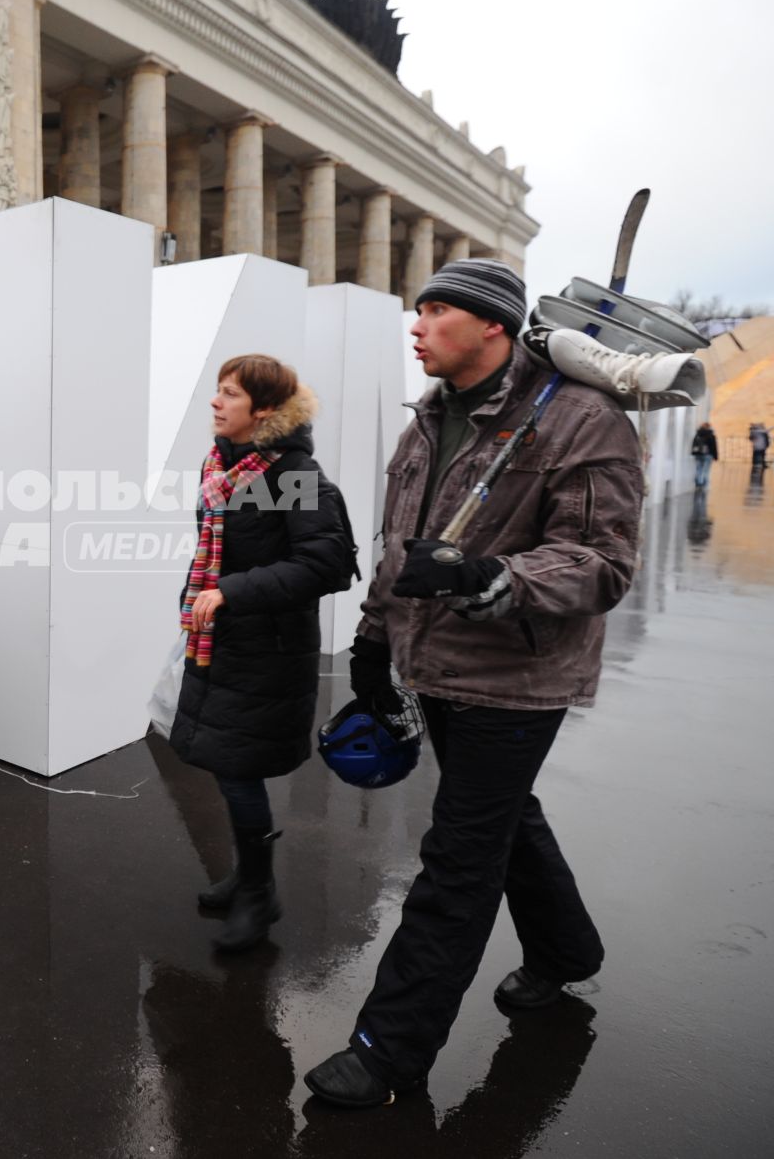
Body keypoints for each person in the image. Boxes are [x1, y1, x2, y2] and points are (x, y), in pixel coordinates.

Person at [304, 258, 644, 1109]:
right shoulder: (425, 423)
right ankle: (566, 950)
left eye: (437, 309)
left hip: (518, 673)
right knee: (501, 816)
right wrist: (375, 641)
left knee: (460, 855)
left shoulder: (580, 419)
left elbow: (602, 563)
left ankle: (388, 1050)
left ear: (493, 324)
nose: (416, 325)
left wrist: (497, 576)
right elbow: (399, 544)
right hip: (434, 661)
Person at [167, 354, 357, 953]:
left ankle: (259, 893)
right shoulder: (223, 464)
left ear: (265, 409)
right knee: (228, 765)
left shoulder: (292, 473)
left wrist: (229, 592)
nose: (216, 403)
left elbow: (327, 563)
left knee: (239, 768)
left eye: (229, 394)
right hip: (226, 639)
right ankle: (249, 878)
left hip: (267, 650)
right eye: (217, 392)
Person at [690, 420, 718, 488]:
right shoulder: (710, 434)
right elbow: (713, 446)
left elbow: (694, 443)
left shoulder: (698, 433)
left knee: (699, 468)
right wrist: (715, 456)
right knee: (706, 469)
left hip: (698, 453)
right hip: (708, 454)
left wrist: (693, 452)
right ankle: (703, 481)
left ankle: (698, 481)